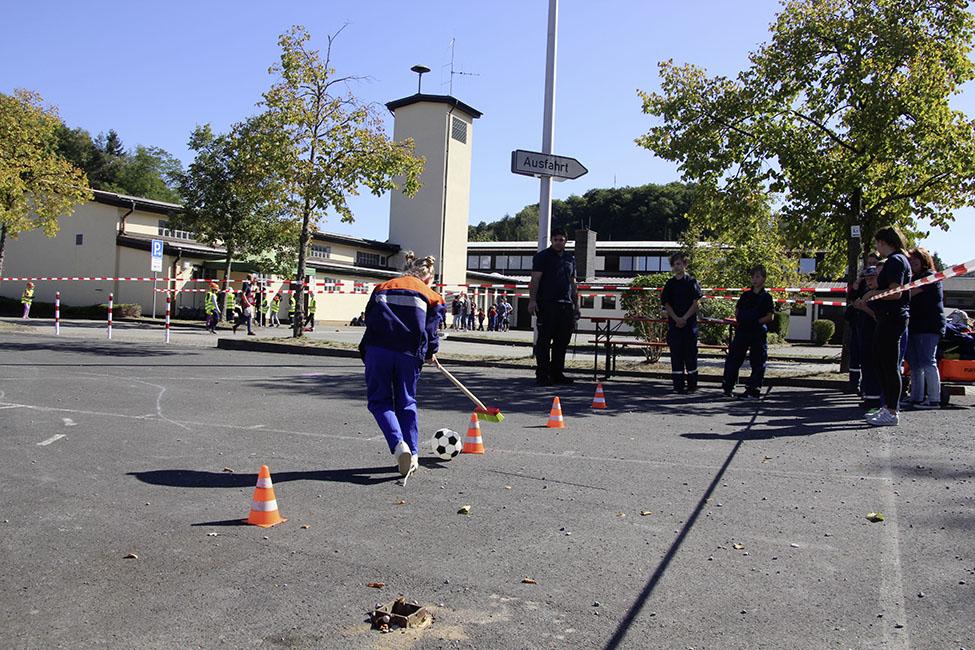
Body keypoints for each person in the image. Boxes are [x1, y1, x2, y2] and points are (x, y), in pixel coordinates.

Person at [360, 252, 445, 479]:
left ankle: (399, 446)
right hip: (408, 353)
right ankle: (413, 454)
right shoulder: (432, 295)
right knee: (406, 402)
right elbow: (431, 329)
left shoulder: (382, 287)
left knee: (379, 401)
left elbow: (369, 318)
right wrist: (430, 352)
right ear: (429, 278)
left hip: (378, 349)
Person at [854, 227, 911, 426]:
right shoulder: (898, 260)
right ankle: (887, 407)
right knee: (881, 363)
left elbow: (896, 292)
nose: (877, 248)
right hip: (887, 317)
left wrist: (872, 294)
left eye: (877, 243)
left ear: (883, 242)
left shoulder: (895, 261)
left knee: (889, 365)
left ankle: (892, 411)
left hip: (892, 317)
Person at [529, 228, 580, 386]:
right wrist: (532, 300)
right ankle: (542, 375)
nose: (558, 242)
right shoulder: (542, 257)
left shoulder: (570, 259)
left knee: (562, 341)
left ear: (566, 241)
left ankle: (557, 373)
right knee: (544, 341)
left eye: (561, 240)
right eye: (556, 239)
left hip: (566, 305)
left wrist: (577, 305)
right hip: (547, 304)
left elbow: (573, 283)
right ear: (551, 240)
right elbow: (535, 280)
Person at [722, 265, 775, 399]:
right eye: (753, 277)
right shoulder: (745, 295)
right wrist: (741, 320)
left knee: (758, 361)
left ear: (764, 278)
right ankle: (728, 386)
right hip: (743, 330)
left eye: (757, 276)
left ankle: (753, 390)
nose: (754, 279)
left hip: (757, 332)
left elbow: (770, 316)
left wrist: (757, 322)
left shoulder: (767, 297)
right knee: (734, 358)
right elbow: (737, 310)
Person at [906, 247, 945, 409]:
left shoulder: (930, 277)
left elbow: (909, 294)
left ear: (924, 260)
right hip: (915, 325)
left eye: (916, 259)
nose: (912, 262)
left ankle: (934, 399)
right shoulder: (913, 278)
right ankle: (916, 397)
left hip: (929, 326)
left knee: (928, 361)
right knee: (915, 364)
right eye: (910, 260)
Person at [660, 252, 703, 393]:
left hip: (689, 325)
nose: (676, 267)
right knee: (676, 356)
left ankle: (692, 385)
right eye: (674, 264)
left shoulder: (692, 282)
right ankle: (678, 386)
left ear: (685, 264)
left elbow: (696, 303)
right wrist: (676, 318)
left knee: (690, 355)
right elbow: (666, 304)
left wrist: (684, 318)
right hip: (674, 325)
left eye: (679, 264)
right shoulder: (670, 284)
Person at [852, 264, 882, 409]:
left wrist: (864, 307)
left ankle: (875, 400)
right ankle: (869, 396)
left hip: (874, 335)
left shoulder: (879, 294)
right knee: (866, 366)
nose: (869, 281)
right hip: (864, 332)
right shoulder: (866, 291)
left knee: (873, 367)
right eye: (867, 278)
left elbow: (878, 316)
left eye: (872, 278)